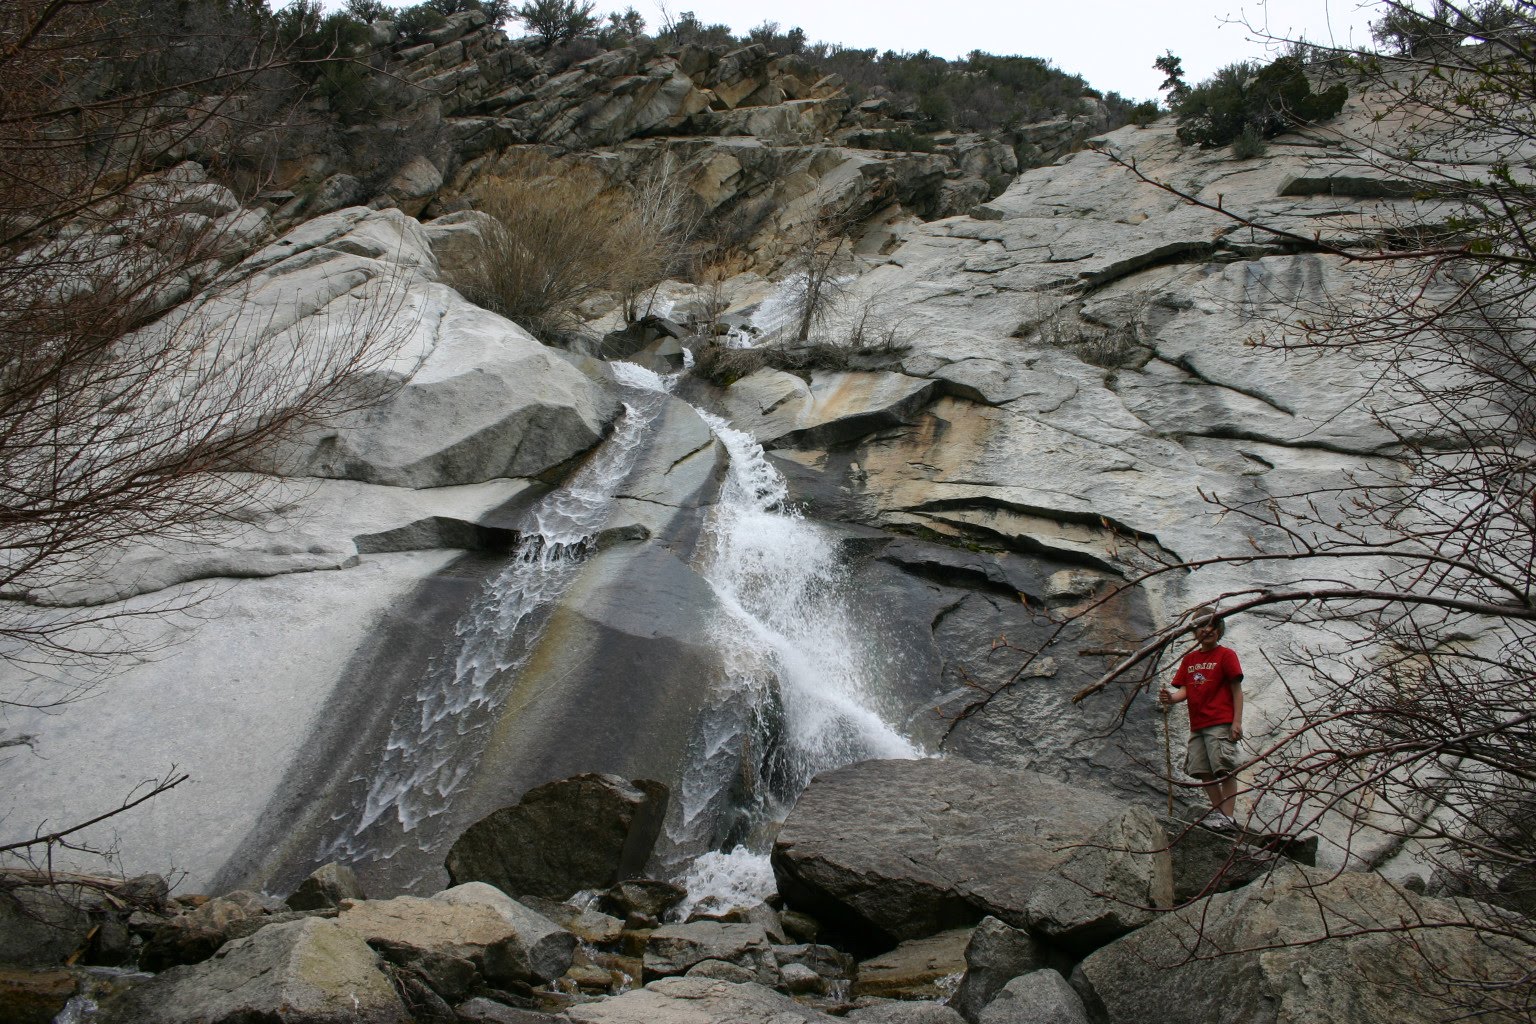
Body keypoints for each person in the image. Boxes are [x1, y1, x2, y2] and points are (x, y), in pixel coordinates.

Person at [1158, 614, 1244, 829]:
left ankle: (1228, 817)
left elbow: (1236, 690)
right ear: (1194, 631)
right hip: (1198, 725)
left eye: (1213, 625)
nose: (1208, 630)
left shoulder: (1226, 655)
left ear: (1220, 630)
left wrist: (1236, 722)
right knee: (1203, 770)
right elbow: (1184, 691)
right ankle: (1220, 815)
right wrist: (1170, 697)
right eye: (1202, 626)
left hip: (1220, 721)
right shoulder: (1190, 660)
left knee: (1224, 768)